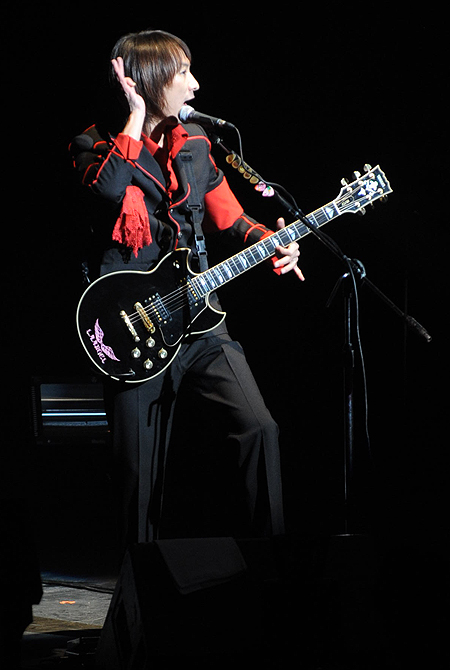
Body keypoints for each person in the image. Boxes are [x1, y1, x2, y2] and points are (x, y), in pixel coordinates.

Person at [70, 29, 303, 548]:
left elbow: (230, 216)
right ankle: (137, 586)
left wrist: (273, 242)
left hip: (200, 317)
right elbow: (109, 187)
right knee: (137, 474)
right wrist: (136, 114)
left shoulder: (194, 142)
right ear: (148, 81)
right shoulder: (93, 143)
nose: (195, 85)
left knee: (259, 428)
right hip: (132, 324)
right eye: (183, 74)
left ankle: (273, 566)